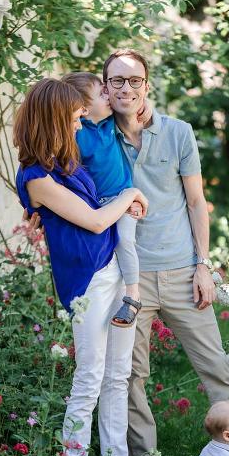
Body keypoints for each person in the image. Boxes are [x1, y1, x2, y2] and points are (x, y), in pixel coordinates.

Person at [100, 49, 229, 456]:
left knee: (215, 369)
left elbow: (195, 203)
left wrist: (203, 266)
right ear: (106, 87)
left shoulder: (178, 133)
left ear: (146, 85)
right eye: (116, 81)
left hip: (182, 270)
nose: (125, 88)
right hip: (130, 278)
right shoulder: (98, 137)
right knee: (132, 375)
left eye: (134, 80)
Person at [14, 78, 149, 456]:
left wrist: (123, 200)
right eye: (73, 119)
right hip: (86, 281)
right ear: (53, 119)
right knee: (89, 378)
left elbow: (99, 208)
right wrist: (129, 194)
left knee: (116, 377)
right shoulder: (35, 177)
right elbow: (93, 221)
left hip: (113, 271)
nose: (78, 126)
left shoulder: (68, 161)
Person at [61, 72, 151, 328]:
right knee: (102, 252)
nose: (109, 95)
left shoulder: (113, 122)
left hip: (123, 199)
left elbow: (141, 108)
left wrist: (146, 103)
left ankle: (133, 295)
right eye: (102, 93)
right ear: (84, 109)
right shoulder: (77, 134)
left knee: (124, 240)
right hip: (94, 205)